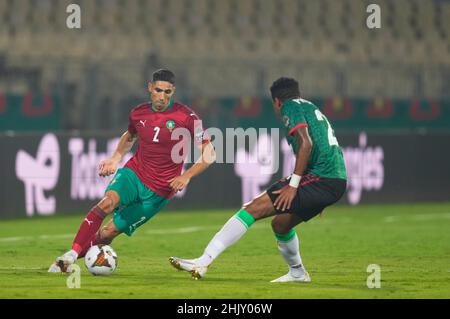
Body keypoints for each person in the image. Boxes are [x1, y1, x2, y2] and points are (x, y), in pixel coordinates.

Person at [169, 77, 347, 282]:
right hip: (332, 179)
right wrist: (319, 194)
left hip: (321, 178)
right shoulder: (309, 106)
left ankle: (204, 260)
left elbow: (306, 144)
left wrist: (294, 186)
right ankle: (297, 273)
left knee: (251, 209)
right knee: (281, 224)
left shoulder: (290, 107)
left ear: (277, 101)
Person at [49, 69, 215, 272]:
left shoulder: (187, 117)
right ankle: (71, 256)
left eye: (168, 92)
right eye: (158, 90)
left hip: (158, 191)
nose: (162, 96)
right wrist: (116, 157)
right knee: (107, 203)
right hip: (134, 174)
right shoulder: (138, 113)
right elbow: (130, 136)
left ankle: (70, 260)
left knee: (108, 233)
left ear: (173, 91)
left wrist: (187, 175)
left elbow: (210, 152)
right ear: (150, 88)